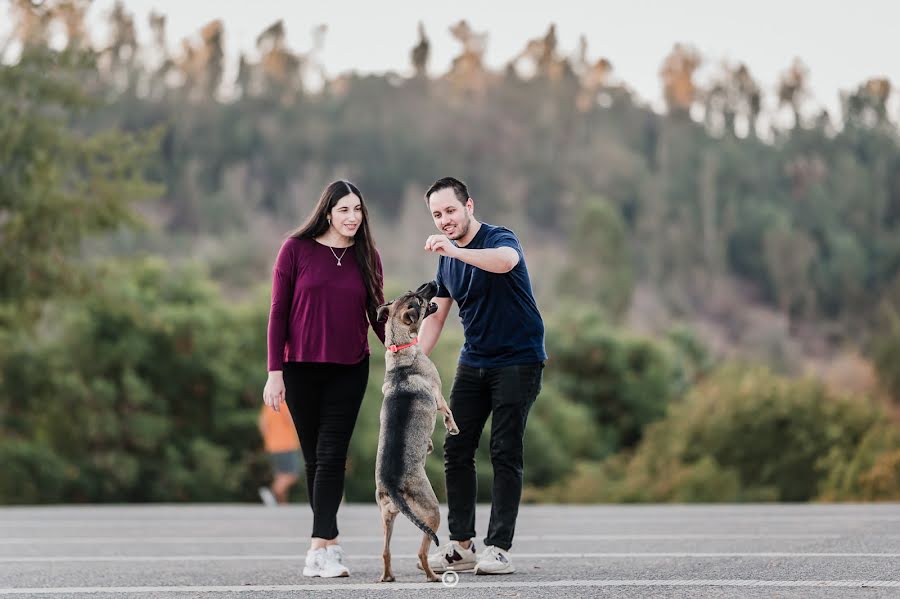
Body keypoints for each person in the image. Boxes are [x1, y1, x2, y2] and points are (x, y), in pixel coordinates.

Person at [417, 176, 546, 576]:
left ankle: (500, 547)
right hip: (475, 360)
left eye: (450, 211)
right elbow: (436, 316)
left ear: (469, 206)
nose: (445, 220)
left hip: (518, 359)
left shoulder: (498, 238)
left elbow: (505, 262)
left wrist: (457, 251)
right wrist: (412, 362)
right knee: (457, 449)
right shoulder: (447, 257)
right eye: (437, 215)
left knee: (505, 450)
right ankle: (462, 545)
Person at [263, 180, 385, 579]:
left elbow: (376, 316)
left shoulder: (368, 257)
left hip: (349, 368)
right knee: (315, 458)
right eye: (344, 210)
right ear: (328, 212)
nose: (352, 217)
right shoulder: (295, 250)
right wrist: (274, 373)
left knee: (332, 455)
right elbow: (278, 313)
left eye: (358, 210)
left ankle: (320, 546)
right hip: (299, 368)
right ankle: (327, 545)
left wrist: (405, 351)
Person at [257, 403, 302, 507]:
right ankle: (271, 493)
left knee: (280, 476)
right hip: (287, 444)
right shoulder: (285, 402)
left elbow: (262, 423)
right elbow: (291, 420)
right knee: (292, 475)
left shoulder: (268, 402)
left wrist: (268, 439)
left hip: (273, 446)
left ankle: (282, 506)